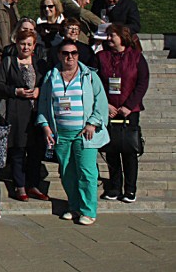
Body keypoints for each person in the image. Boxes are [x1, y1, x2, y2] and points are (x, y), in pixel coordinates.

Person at [37, 38, 110, 225]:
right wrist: (45, 125)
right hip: (61, 132)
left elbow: (100, 102)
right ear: (59, 55)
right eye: (65, 53)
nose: (70, 57)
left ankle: (88, 210)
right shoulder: (51, 76)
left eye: (74, 53)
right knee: (67, 171)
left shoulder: (89, 76)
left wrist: (92, 123)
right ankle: (74, 206)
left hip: (85, 132)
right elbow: (44, 104)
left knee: (87, 171)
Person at [0, 29, 50, 202]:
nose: (25, 47)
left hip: (36, 114)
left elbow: (48, 84)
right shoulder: (9, 62)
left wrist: (39, 90)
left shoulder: (40, 64)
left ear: (34, 46)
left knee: (35, 152)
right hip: (16, 112)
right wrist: (15, 91)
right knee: (18, 151)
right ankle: (20, 185)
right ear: (16, 44)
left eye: (29, 44)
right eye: (22, 44)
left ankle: (33, 185)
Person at [97, 23, 149, 203]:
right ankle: (114, 186)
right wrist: (106, 105)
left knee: (128, 150)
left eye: (112, 35)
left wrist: (129, 105)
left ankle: (130, 189)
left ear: (122, 37)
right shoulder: (101, 57)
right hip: (109, 110)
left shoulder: (136, 57)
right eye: (108, 36)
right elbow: (96, 83)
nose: (109, 39)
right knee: (112, 149)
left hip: (129, 111)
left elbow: (142, 83)